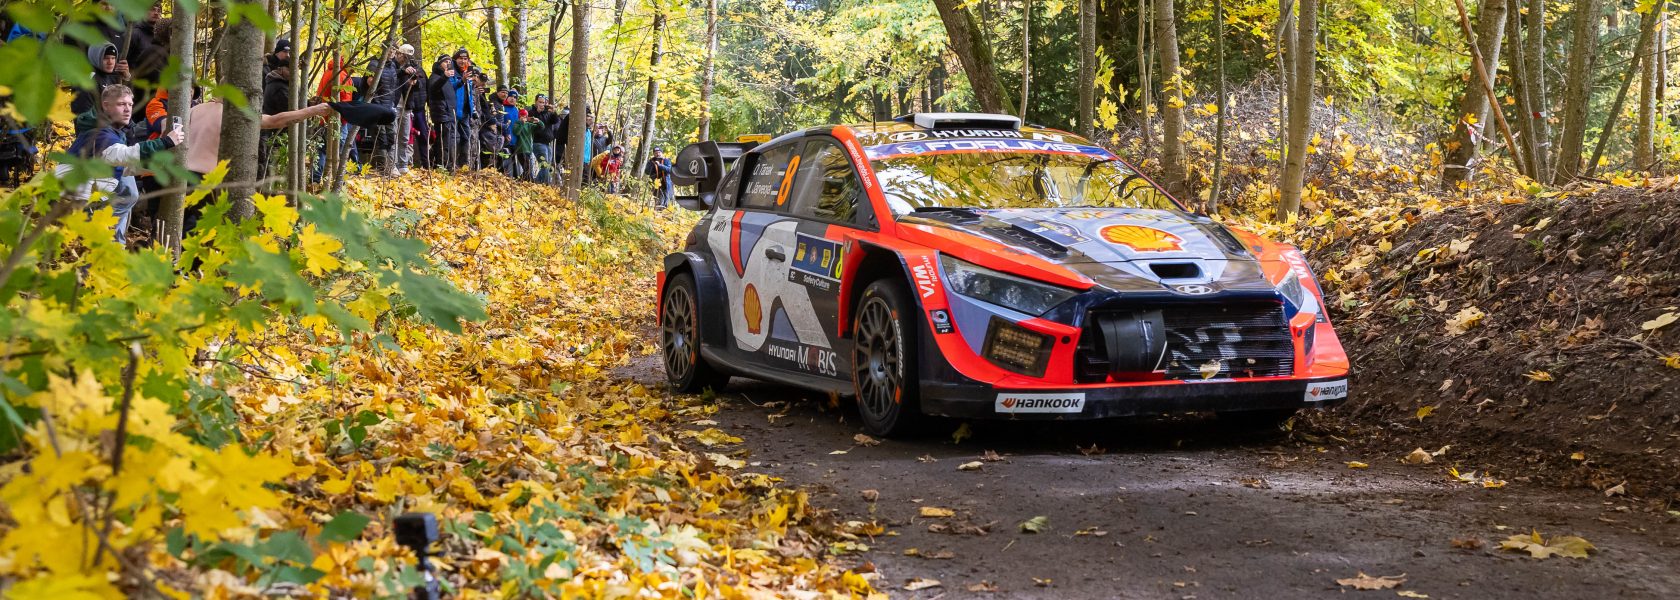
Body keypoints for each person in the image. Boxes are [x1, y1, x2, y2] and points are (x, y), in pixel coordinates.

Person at [54, 84, 181, 242]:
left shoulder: (114, 132)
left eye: (130, 104)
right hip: (73, 201)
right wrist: (165, 142)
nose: (128, 109)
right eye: (121, 104)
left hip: (87, 198)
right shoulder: (100, 133)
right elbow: (123, 155)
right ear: (106, 105)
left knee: (128, 196)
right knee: (88, 244)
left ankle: (112, 241)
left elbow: (123, 166)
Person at [392, 43, 426, 172]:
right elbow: (390, 78)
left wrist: (415, 82)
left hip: (407, 105)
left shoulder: (413, 66)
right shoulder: (392, 65)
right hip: (394, 105)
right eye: (404, 56)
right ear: (398, 54)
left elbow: (420, 85)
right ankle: (393, 164)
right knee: (393, 135)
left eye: (408, 56)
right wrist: (402, 72)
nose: (405, 59)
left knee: (405, 136)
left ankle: (403, 164)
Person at [71, 43, 130, 116]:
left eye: (113, 58)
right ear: (95, 58)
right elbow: (83, 115)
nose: (110, 62)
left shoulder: (114, 75)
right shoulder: (87, 80)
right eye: (106, 58)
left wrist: (126, 77)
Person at [426, 55, 460, 169]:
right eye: (446, 62)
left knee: (449, 141)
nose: (448, 64)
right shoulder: (435, 76)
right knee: (443, 141)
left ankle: (447, 164)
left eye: (450, 62)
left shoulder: (446, 78)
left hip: (450, 113)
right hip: (442, 114)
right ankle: (443, 165)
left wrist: (462, 81)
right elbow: (434, 88)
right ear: (440, 63)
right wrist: (445, 76)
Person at [529, 95, 558, 183]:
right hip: (538, 142)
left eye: (544, 103)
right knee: (544, 165)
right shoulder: (531, 112)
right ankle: (544, 184)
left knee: (547, 167)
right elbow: (532, 124)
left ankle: (538, 183)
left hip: (548, 144)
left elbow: (555, 121)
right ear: (536, 102)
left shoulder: (547, 113)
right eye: (540, 102)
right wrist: (538, 112)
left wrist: (554, 112)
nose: (542, 104)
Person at [511, 109, 536, 181]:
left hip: (528, 149)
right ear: (520, 116)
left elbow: (541, 127)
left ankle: (521, 181)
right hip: (521, 149)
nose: (524, 118)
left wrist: (538, 121)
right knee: (527, 168)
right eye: (523, 116)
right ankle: (527, 181)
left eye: (525, 116)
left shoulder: (528, 125)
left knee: (528, 169)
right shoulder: (516, 124)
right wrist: (522, 123)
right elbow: (517, 132)